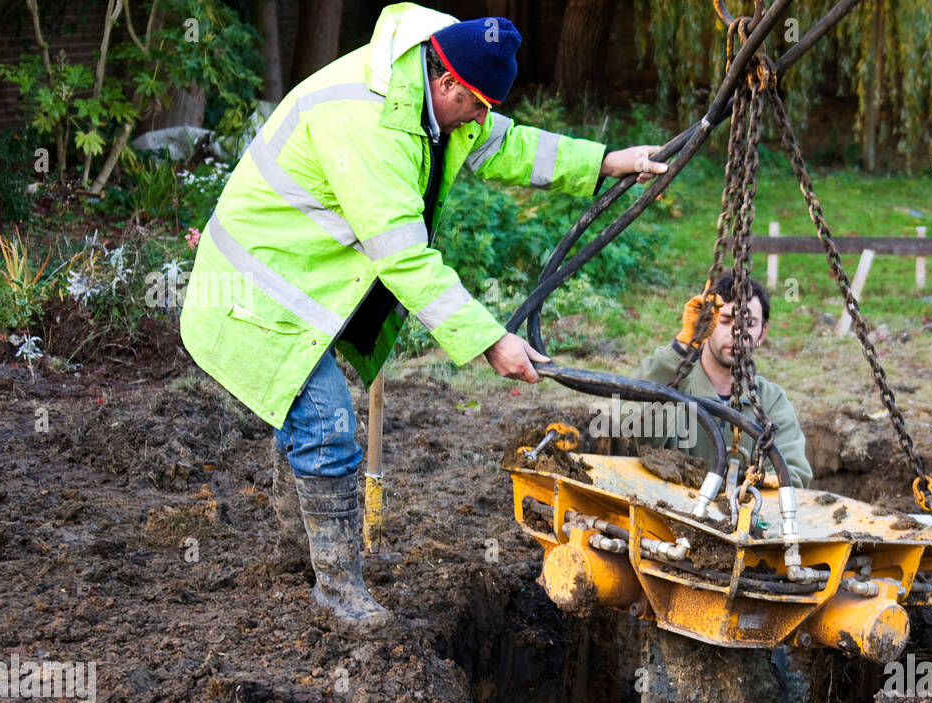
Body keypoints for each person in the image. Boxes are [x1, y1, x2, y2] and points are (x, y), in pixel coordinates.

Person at [179, 4, 668, 633]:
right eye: (477, 106)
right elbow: (405, 259)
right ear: (447, 86)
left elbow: (509, 144)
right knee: (328, 430)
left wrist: (605, 161)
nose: (483, 120)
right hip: (257, 290)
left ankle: (295, 550)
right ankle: (335, 589)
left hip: (301, 279)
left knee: (304, 413)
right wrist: (491, 341)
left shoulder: (429, 89)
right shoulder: (367, 123)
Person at [634, 273, 812, 490]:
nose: (737, 332)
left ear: (762, 332)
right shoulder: (677, 385)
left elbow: (795, 473)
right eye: (725, 321)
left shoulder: (771, 400)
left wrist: (759, 483)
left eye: (749, 323)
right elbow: (635, 428)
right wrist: (683, 347)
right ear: (707, 324)